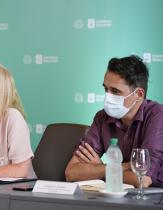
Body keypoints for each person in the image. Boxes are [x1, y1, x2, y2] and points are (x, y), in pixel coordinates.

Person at [65, 55, 163, 187]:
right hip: (115, 198)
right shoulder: (102, 117)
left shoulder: (157, 116)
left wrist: (99, 169)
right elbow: (72, 173)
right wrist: (119, 167)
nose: (108, 96)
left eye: (115, 91)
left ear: (139, 95)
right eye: (106, 89)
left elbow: (142, 179)